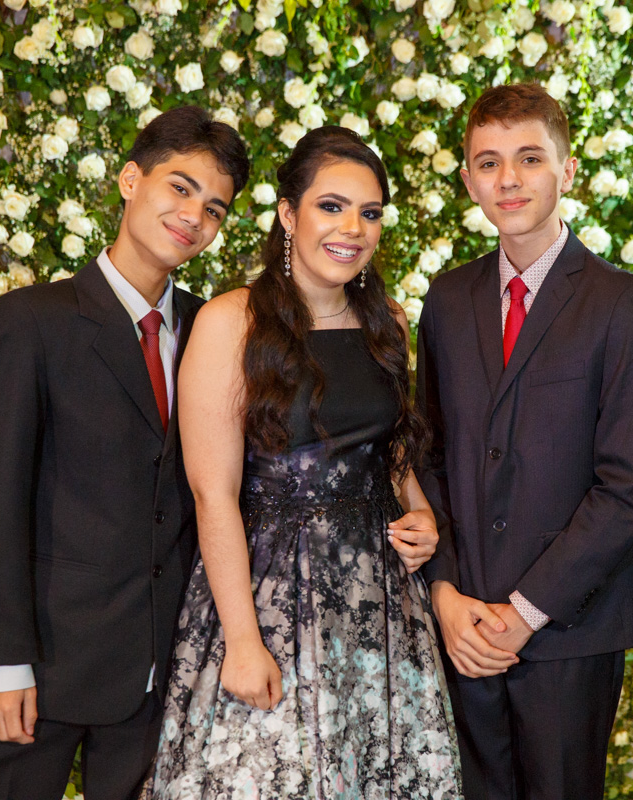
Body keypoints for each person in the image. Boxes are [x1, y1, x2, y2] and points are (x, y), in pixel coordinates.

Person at [143, 126, 461, 799]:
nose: (352, 228)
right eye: (331, 206)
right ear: (288, 214)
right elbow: (213, 493)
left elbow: (389, 448)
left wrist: (421, 513)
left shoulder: (388, 321)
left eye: (369, 213)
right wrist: (241, 640)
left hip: (379, 605)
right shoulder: (231, 322)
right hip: (268, 596)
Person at [0, 106, 249, 800]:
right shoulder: (34, 319)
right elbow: (0, 499)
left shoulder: (214, 326)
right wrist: (1, 663)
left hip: (162, 672)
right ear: (130, 180)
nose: (193, 217)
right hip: (41, 668)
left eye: (214, 209)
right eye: (180, 188)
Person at [416, 83, 633, 800]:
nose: (509, 178)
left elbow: (630, 487)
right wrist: (445, 592)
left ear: (568, 169)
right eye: (488, 162)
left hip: (568, 628)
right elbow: (427, 455)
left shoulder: (622, 304)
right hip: (465, 624)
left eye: (529, 158)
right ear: (468, 180)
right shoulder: (447, 300)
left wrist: (525, 612)